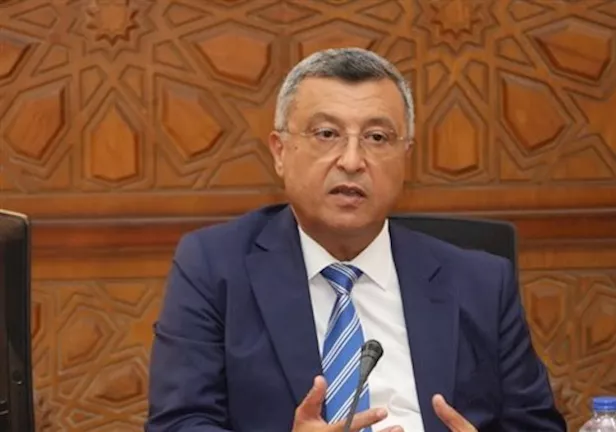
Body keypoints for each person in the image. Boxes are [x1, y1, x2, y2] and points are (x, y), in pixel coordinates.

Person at [146, 47, 566, 432]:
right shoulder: (214, 267)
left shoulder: (481, 282)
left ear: (405, 157)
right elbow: (178, 423)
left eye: (377, 138)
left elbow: (538, 426)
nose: (351, 161)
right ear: (280, 152)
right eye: (326, 134)